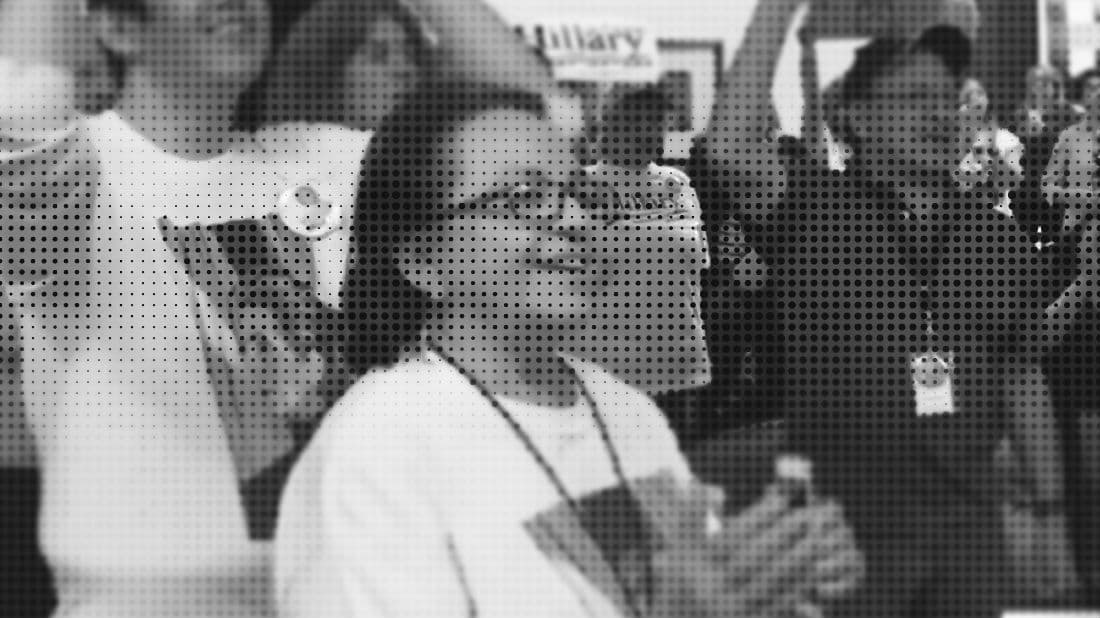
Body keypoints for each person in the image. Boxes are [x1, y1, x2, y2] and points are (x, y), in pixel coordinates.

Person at [274, 83, 865, 618]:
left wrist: (783, 574)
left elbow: (695, 583)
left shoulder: (624, 410)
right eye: (524, 196)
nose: (576, 219)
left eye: (579, 191)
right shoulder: (381, 442)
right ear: (422, 258)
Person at [692, 0, 1074, 612]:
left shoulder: (994, 235)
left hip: (967, 535)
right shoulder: (813, 208)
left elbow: (1022, 375)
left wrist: (1051, 514)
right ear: (859, 116)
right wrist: (778, 9)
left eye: (947, 98)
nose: (940, 114)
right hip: (845, 535)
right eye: (915, 97)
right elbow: (729, 147)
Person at [0, 0, 332, 615]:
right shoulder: (73, 168)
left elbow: (524, 128)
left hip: (336, 590)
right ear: (117, 25)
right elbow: (17, 104)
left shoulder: (323, 160)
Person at [583, 86, 712, 435]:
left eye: (656, 120)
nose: (650, 129)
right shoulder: (575, 188)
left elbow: (695, 265)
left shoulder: (677, 184)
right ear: (607, 124)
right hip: (604, 372)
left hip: (678, 367)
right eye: (636, 119)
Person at [1011, 65, 1084, 242]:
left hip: (1056, 186)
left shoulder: (1068, 112)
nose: (1041, 86)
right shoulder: (1020, 114)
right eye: (1036, 82)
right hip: (1026, 187)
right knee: (1024, 240)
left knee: (1056, 241)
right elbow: (1009, 147)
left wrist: (1044, 132)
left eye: (1046, 82)